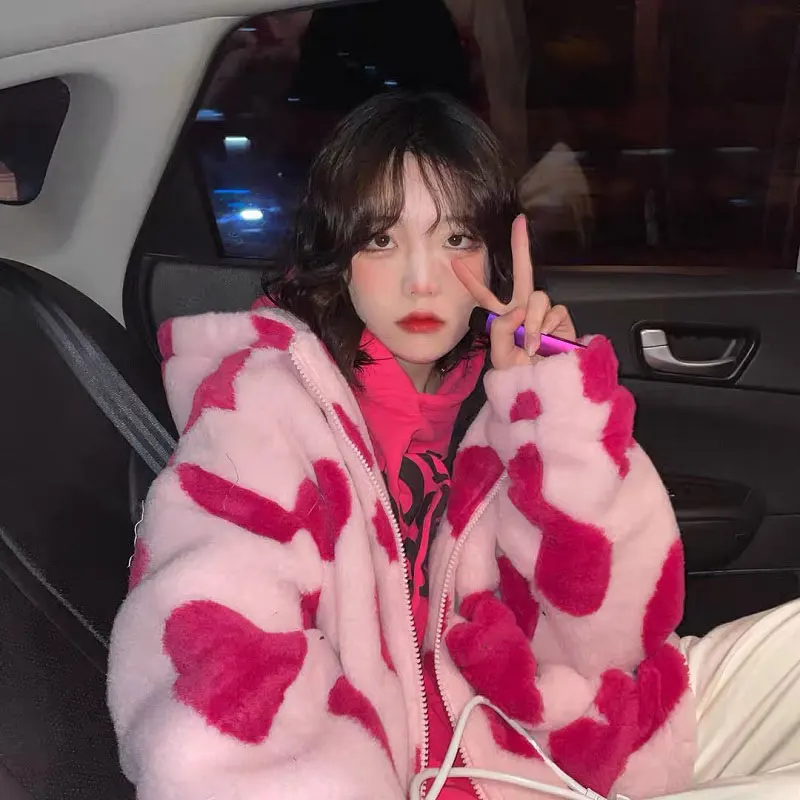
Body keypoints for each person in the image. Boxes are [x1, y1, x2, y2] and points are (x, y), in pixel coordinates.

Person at [107, 92, 799, 800]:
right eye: (381, 240)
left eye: (457, 239)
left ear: (495, 254)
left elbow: (611, 635)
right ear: (337, 256)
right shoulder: (264, 407)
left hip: (555, 737)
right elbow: (213, 665)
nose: (423, 279)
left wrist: (548, 407)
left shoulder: (492, 397)